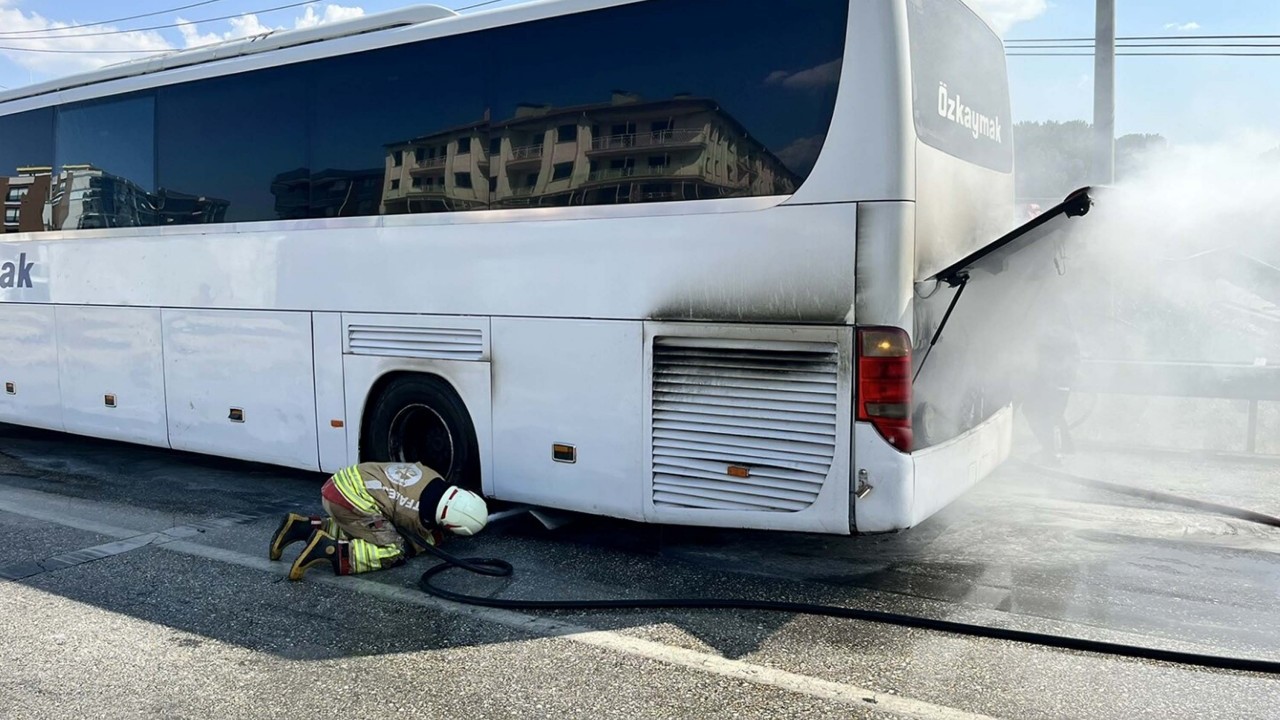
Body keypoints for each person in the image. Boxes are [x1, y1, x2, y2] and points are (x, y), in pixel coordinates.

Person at [269, 461, 488, 581]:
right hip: (350, 501)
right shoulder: (414, 513)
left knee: (367, 527)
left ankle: (301, 527)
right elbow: (414, 541)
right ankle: (328, 551)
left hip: (341, 484)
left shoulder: (434, 475)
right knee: (393, 547)